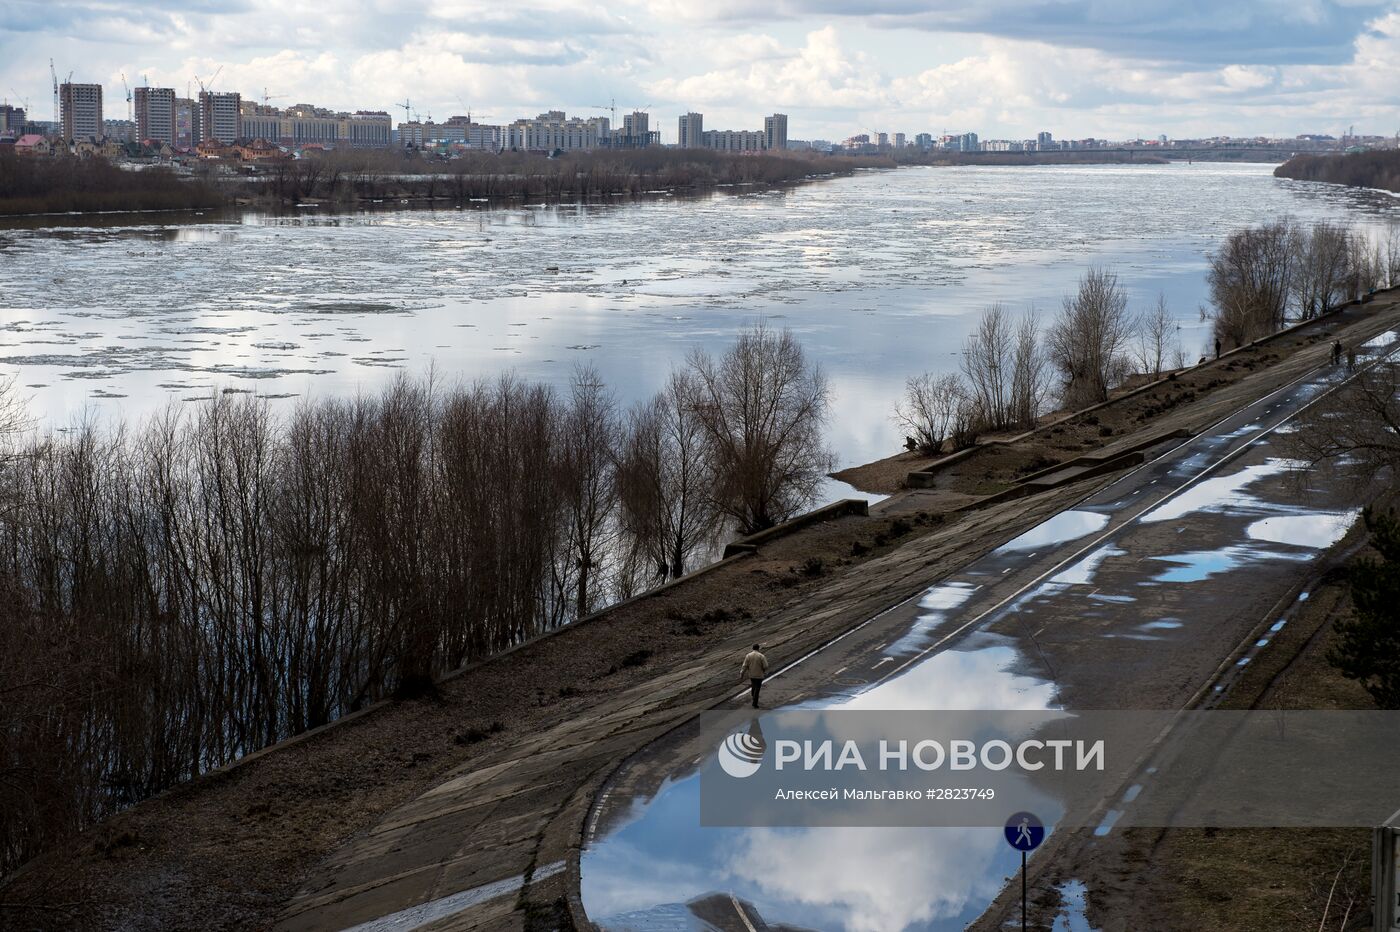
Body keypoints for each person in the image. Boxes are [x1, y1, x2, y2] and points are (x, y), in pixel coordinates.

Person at [741, 644, 768, 709]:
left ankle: (753, 695)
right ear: (758, 648)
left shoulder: (748, 656)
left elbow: (744, 666)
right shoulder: (761, 656)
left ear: (752, 648)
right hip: (759, 675)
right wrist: (763, 670)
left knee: (753, 686)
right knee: (757, 689)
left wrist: (741, 673)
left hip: (751, 675)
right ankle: (755, 703)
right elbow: (766, 666)